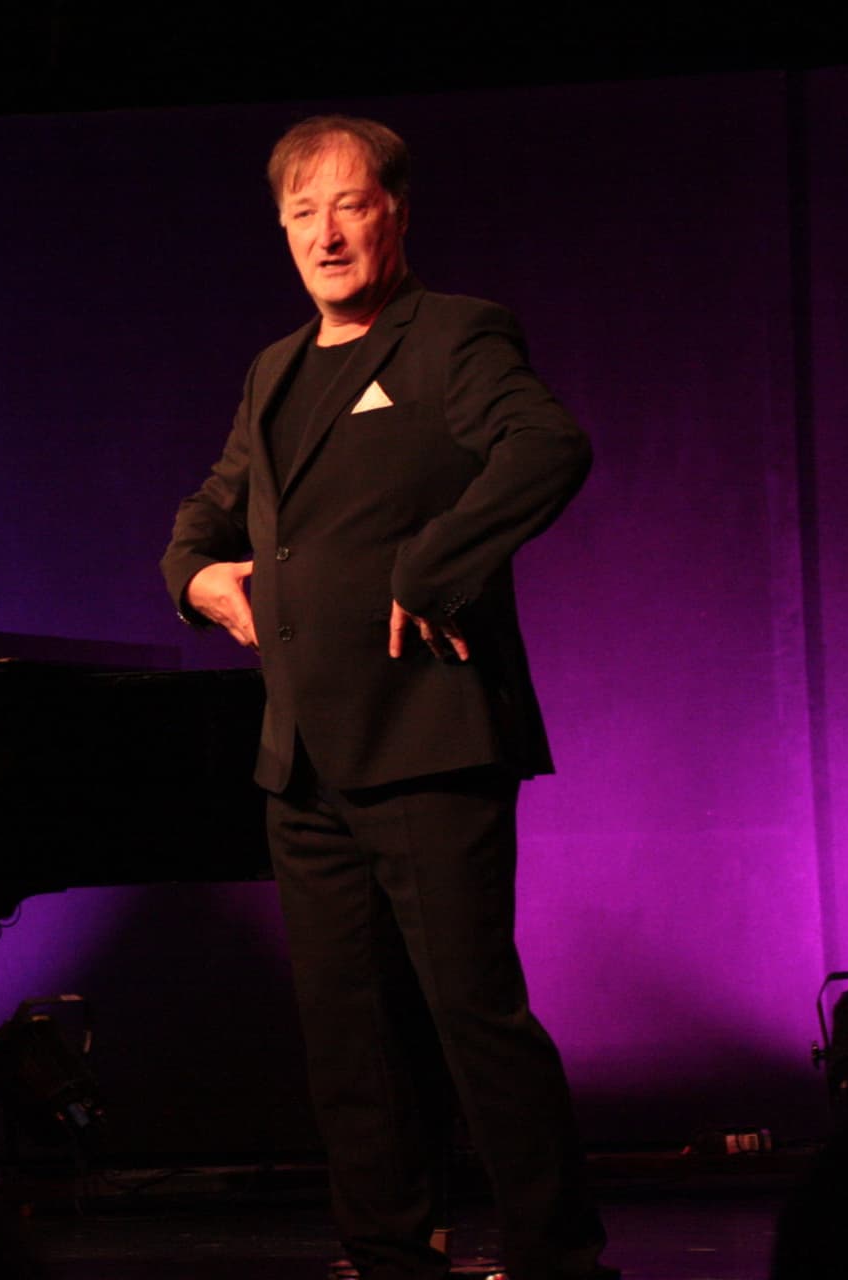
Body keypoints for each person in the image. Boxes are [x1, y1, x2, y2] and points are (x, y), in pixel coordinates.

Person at [161, 118, 612, 1280]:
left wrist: (434, 563)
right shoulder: (273, 368)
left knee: (472, 1014)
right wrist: (195, 576)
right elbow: (211, 509)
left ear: (395, 214)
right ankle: (387, 1249)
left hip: (426, 733)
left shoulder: (454, 334)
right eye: (302, 213)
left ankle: (558, 1253)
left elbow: (547, 445)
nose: (326, 234)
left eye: (349, 205)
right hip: (302, 752)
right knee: (348, 1030)